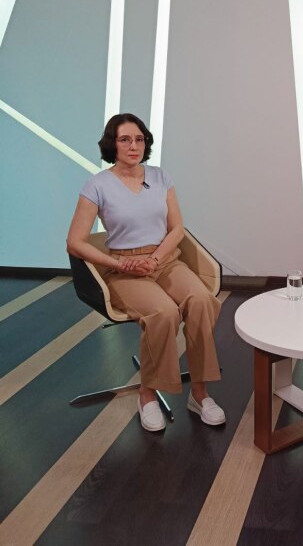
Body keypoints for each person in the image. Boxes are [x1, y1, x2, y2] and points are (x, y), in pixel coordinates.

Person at [67, 113, 225, 432]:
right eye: (125, 139)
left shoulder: (160, 177)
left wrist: (155, 258)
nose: (133, 145)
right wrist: (118, 265)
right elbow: (75, 242)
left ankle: (200, 394)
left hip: (164, 261)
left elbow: (177, 228)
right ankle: (147, 395)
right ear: (112, 144)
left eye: (139, 139)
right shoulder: (97, 185)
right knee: (164, 312)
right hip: (124, 269)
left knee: (201, 301)